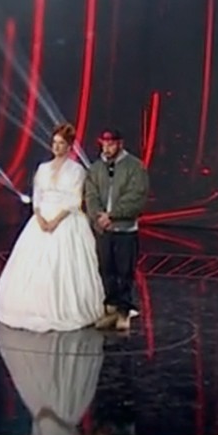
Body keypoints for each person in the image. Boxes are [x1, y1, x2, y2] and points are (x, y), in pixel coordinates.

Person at [0, 123, 104, 332]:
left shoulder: (77, 170)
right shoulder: (43, 168)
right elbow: (38, 195)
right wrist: (40, 217)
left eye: (61, 143)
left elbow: (73, 199)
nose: (56, 147)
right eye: (54, 143)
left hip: (66, 219)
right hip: (41, 219)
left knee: (63, 266)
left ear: (69, 146)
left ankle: (66, 308)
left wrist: (55, 221)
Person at [84, 129, 149, 331]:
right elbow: (91, 195)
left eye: (111, 144)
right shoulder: (96, 168)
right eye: (104, 143)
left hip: (125, 230)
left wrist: (112, 215)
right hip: (104, 230)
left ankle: (123, 312)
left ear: (120, 144)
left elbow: (136, 197)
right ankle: (110, 310)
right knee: (106, 269)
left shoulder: (135, 167)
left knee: (124, 271)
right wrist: (99, 217)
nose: (107, 147)